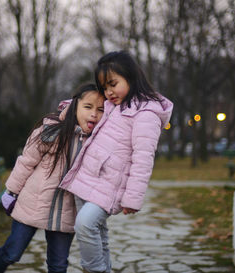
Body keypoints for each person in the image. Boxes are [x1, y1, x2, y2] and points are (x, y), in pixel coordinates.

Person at [59, 51, 173, 273]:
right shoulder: (114, 104)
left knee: (85, 224)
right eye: (104, 87)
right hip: (88, 177)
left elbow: (143, 158)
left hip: (111, 185)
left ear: (130, 76)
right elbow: (88, 104)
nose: (108, 92)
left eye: (113, 84)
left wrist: (133, 197)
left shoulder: (146, 112)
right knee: (98, 232)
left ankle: (95, 270)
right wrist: (70, 107)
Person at [0, 83, 105, 273]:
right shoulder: (53, 130)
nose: (94, 114)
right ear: (75, 105)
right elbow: (26, 162)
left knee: (58, 265)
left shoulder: (98, 141)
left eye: (100, 110)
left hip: (66, 212)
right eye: (88, 107)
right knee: (12, 253)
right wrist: (12, 191)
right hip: (32, 204)